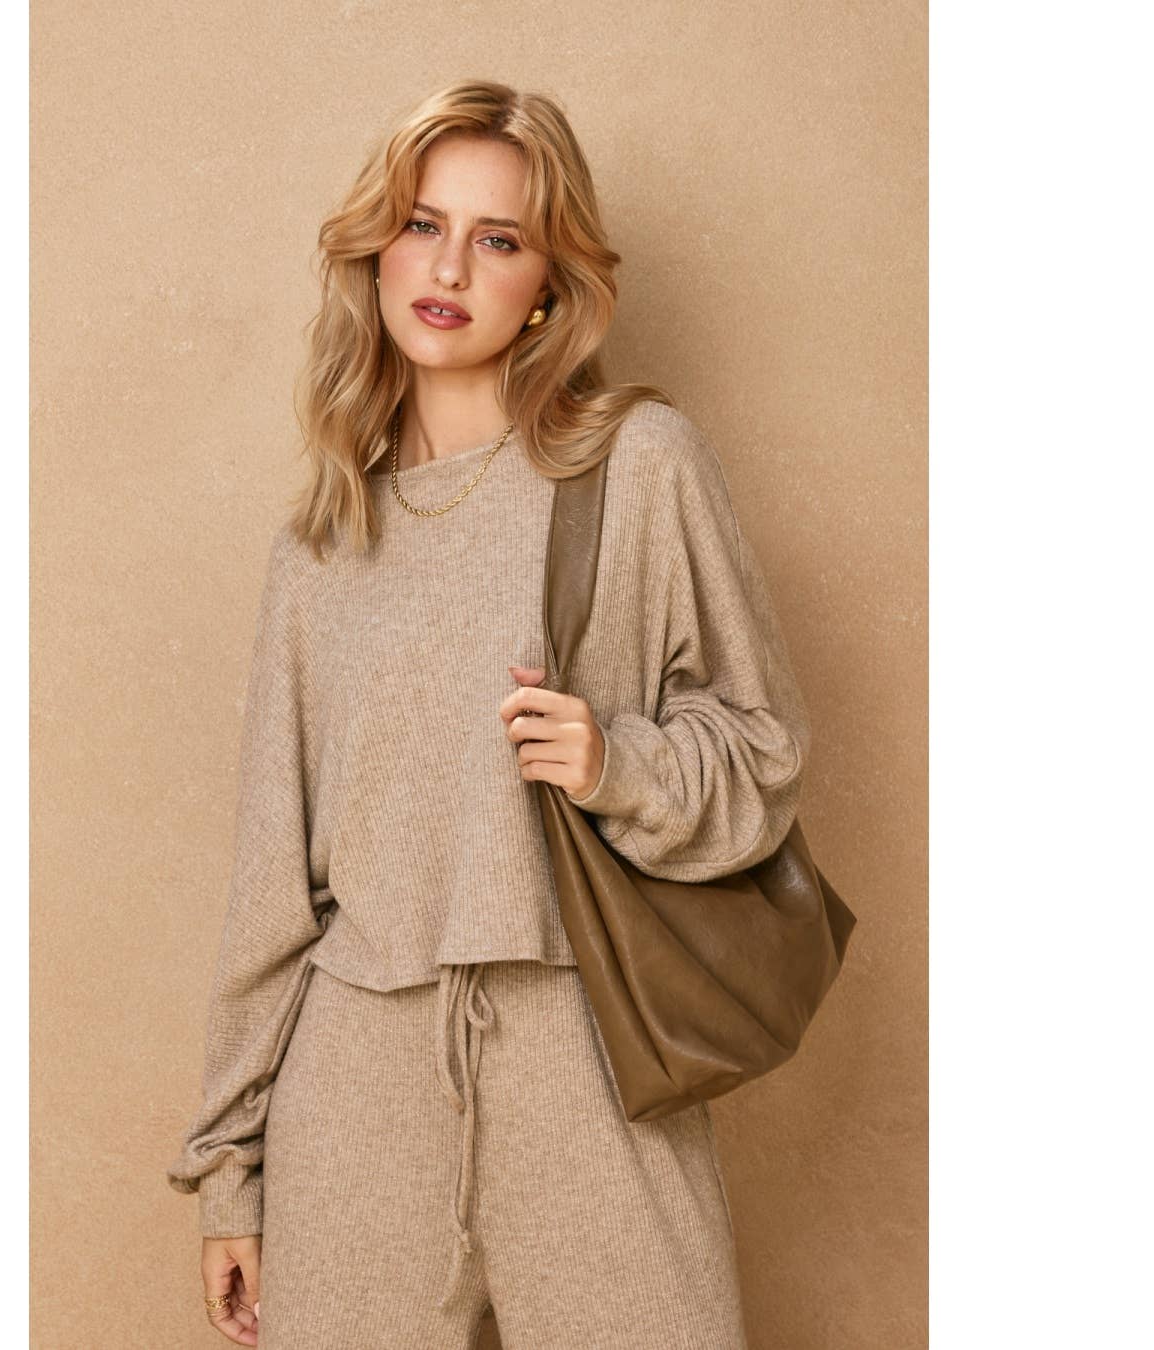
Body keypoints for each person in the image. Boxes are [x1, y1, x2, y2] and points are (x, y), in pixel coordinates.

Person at [166, 79, 812, 1349]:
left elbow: (764, 754)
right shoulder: (322, 542)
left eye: (498, 238)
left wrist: (616, 763)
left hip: (586, 1048)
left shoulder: (637, 465)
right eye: (422, 224)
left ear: (550, 286)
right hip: (355, 1081)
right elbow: (271, 886)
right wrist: (230, 1170)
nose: (449, 266)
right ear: (378, 249)